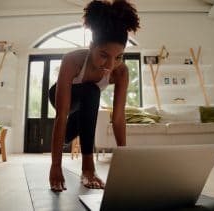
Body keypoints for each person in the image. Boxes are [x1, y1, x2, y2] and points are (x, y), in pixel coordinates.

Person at [49, 0, 140, 192]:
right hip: (63, 98)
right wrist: (55, 166)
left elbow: (118, 118)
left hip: (83, 107)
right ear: (91, 46)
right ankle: (88, 169)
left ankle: (71, 140)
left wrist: (124, 161)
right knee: (91, 90)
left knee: (89, 98)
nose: (110, 65)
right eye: (104, 55)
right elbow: (61, 115)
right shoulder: (72, 61)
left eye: (119, 57)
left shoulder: (121, 72)